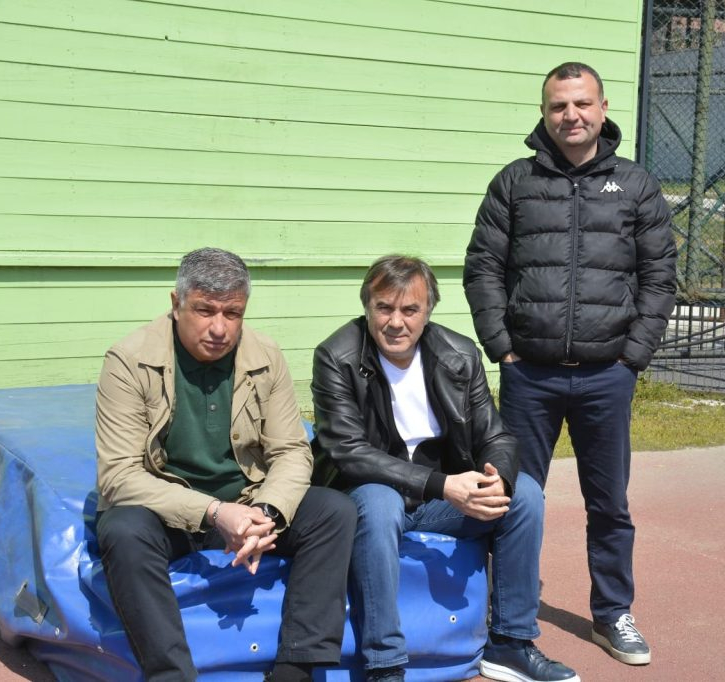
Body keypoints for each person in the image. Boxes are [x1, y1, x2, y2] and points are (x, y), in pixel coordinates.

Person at [463, 62, 678, 667]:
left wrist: (632, 357)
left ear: (603, 109)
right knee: (511, 498)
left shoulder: (635, 185)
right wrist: (503, 347)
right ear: (544, 112)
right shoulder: (515, 182)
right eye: (559, 106)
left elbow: (660, 277)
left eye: (582, 104)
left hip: (608, 375)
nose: (571, 116)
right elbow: (483, 268)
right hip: (528, 375)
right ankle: (506, 617)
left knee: (608, 503)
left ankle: (613, 613)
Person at [311, 255, 578, 682]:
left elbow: (497, 437)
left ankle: (510, 643)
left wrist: (496, 480)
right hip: (367, 495)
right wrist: (443, 485)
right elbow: (348, 452)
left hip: (438, 501)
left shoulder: (459, 354)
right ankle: (385, 664)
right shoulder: (336, 355)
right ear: (367, 307)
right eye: (384, 308)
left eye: (410, 310)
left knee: (524, 493)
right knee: (379, 503)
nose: (396, 322)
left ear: (428, 311)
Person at [95, 247, 356, 682]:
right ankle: (171, 676)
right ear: (176, 303)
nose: (219, 328)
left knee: (334, 512)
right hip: (167, 515)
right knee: (122, 529)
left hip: (248, 503)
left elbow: (292, 451)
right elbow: (119, 475)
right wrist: (215, 512)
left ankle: (296, 669)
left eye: (233, 314)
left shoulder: (265, 355)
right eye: (205, 311)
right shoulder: (128, 360)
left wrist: (267, 513)